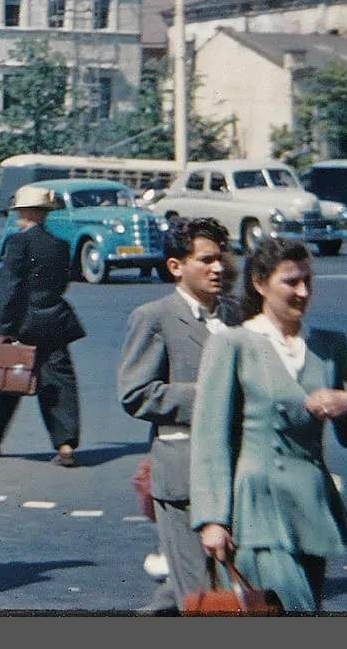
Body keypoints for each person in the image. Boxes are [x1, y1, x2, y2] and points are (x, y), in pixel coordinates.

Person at [191, 239, 347, 614]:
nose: (303, 292)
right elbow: (210, 438)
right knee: (292, 610)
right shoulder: (233, 343)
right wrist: (212, 519)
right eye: (291, 282)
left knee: (303, 606)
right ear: (260, 284)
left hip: (311, 507)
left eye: (308, 282)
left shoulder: (330, 346)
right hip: (256, 509)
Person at [118, 216, 237, 610]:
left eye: (220, 258)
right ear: (176, 266)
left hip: (238, 473)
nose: (217, 268)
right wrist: (209, 396)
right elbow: (136, 393)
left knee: (215, 587)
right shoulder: (155, 317)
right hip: (184, 473)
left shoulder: (236, 315)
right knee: (199, 590)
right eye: (205, 260)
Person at [0, 185, 85, 466]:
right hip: (54, 320)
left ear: (23, 212)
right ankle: (65, 444)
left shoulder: (17, 243)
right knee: (59, 381)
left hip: (23, 320)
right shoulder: (61, 245)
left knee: (10, 377)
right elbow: (62, 284)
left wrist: (3, 327)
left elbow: (10, 287)